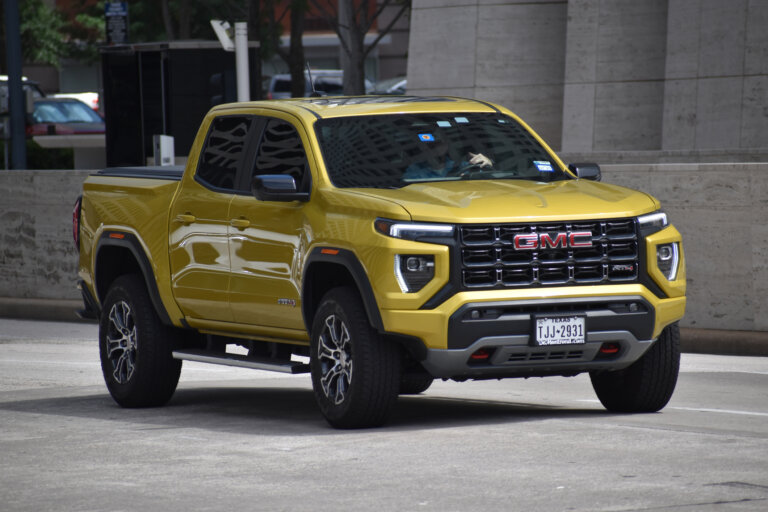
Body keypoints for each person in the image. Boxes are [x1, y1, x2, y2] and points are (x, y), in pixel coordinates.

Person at [403, 137, 492, 180]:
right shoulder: (414, 170)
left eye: (439, 143)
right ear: (423, 148)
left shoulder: (464, 166)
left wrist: (488, 165)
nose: (436, 148)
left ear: (446, 145)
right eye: (430, 145)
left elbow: (488, 183)